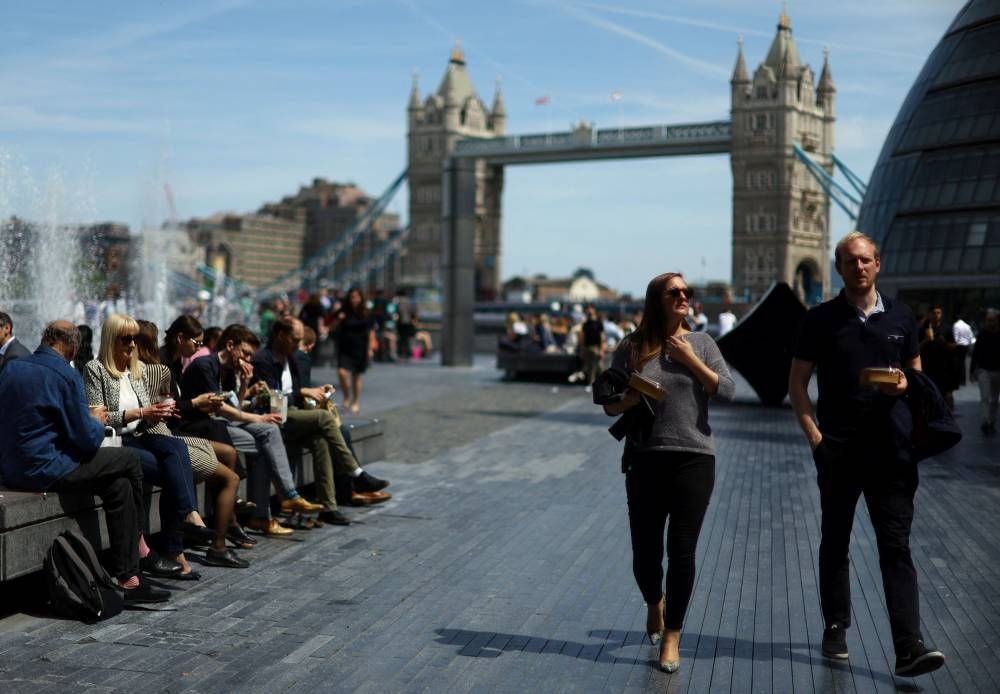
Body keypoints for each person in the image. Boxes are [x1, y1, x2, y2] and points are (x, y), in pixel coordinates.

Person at [789, 231, 945, 677]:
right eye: (850, 261)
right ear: (839, 268)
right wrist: (814, 437)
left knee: (895, 546)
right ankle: (836, 625)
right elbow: (797, 384)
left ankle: (908, 646)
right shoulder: (820, 319)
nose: (859, 267)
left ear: (878, 264)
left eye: (866, 260)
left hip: (894, 453)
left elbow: (919, 381)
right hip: (838, 450)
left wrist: (906, 385)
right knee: (835, 543)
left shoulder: (902, 316)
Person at [600, 273, 734, 673]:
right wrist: (633, 397)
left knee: (682, 549)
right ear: (655, 300)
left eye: (686, 292)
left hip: (694, 457)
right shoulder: (633, 347)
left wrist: (689, 359)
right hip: (645, 458)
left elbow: (726, 392)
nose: (683, 297)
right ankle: (654, 602)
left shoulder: (704, 343)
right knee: (645, 555)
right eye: (673, 292)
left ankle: (672, 636)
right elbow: (610, 406)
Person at [0, 321, 169, 604]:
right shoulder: (66, 375)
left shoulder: (12, 368)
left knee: (119, 486)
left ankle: (129, 578)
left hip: (13, 468)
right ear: (73, 347)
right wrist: (95, 420)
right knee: (128, 459)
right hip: (48, 468)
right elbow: (87, 440)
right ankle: (140, 548)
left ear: (44, 339)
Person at [84, 314, 218, 578]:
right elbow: (97, 418)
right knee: (174, 468)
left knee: (175, 449)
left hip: (141, 435)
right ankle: (176, 542)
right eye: (126, 338)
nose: (132, 344)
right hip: (116, 442)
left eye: (134, 338)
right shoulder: (95, 369)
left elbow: (146, 412)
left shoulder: (137, 371)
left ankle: (189, 516)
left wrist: (158, 414)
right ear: (111, 339)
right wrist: (141, 413)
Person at [180, 323, 322, 536]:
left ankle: (264, 513)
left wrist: (245, 384)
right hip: (196, 428)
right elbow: (223, 410)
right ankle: (283, 499)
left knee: (264, 441)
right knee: (268, 431)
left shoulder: (228, 370)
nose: (248, 360)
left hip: (218, 425)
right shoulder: (205, 365)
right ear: (230, 345)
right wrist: (260, 417)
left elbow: (232, 407)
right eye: (245, 354)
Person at [135, 319, 252, 565]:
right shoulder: (159, 365)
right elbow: (157, 409)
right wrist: (195, 404)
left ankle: (224, 521)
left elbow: (168, 406)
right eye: (196, 342)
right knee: (227, 473)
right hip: (166, 436)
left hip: (171, 434)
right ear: (180, 338)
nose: (199, 347)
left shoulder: (172, 363)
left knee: (227, 451)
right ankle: (215, 539)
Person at [253, 316, 390, 523]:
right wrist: (302, 392)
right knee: (325, 418)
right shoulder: (264, 359)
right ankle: (357, 473)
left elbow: (297, 392)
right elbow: (270, 399)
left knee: (320, 442)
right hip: (274, 416)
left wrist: (314, 393)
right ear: (281, 335)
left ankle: (328, 507)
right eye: (295, 340)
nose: (298, 345)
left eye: (300, 340)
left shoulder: (291, 357)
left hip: (294, 415)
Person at [332, 287, 376, 414]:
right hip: (345, 346)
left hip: (360, 347)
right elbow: (332, 326)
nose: (354, 300)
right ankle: (346, 396)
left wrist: (370, 349)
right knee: (341, 372)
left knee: (356, 376)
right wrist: (339, 318)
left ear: (361, 298)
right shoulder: (343, 311)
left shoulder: (366, 313)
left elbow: (370, 331)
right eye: (352, 297)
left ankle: (356, 401)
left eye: (357, 297)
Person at [919, 306, 957, 410]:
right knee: (929, 392)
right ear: (930, 314)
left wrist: (944, 342)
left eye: (938, 313)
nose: (936, 315)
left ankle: (947, 413)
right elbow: (916, 348)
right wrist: (926, 340)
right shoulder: (923, 329)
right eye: (934, 313)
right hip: (928, 366)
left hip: (944, 366)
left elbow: (954, 347)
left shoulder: (946, 329)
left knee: (946, 393)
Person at [970, 309, 1000, 435]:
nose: (990, 323)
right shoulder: (981, 335)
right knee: (985, 397)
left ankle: (992, 421)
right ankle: (985, 422)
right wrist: (972, 370)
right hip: (984, 371)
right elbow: (975, 354)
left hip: (998, 371)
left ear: (997, 321)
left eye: (992, 320)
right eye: (988, 320)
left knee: (994, 399)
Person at [579, 305, 605, 393]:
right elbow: (583, 338)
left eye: (591, 309)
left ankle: (600, 384)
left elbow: (602, 337)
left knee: (599, 367)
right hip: (588, 347)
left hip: (596, 347)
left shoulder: (598, 323)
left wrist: (602, 349)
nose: (589, 311)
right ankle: (591, 384)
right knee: (591, 367)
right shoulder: (585, 324)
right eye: (588, 309)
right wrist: (582, 350)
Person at [951, 311, 974, 388]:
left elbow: (955, 337)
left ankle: (959, 379)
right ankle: (963, 380)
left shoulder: (956, 325)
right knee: (963, 362)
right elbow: (971, 336)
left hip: (959, 346)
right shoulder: (967, 326)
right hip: (966, 346)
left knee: (958, 363)